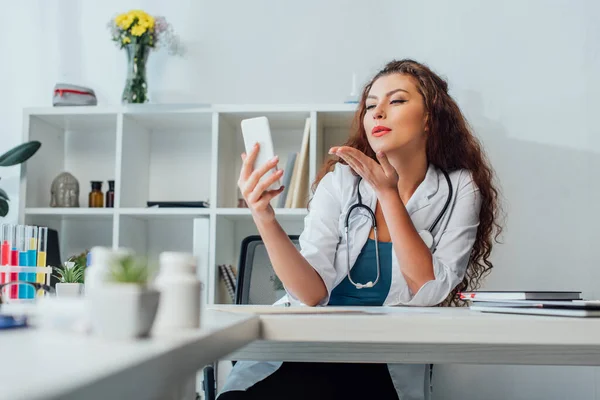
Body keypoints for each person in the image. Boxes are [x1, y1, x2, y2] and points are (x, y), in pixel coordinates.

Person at [218, 59, 502, 400]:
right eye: (370, 106)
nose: (377, 113)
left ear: (430, 118)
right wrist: (263, 215)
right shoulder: (340, 182)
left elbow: (429, 291)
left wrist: (388, 194)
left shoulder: (459, 188)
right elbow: (309, 295)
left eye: (396, 101)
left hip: (380, 361)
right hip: (305, 348)